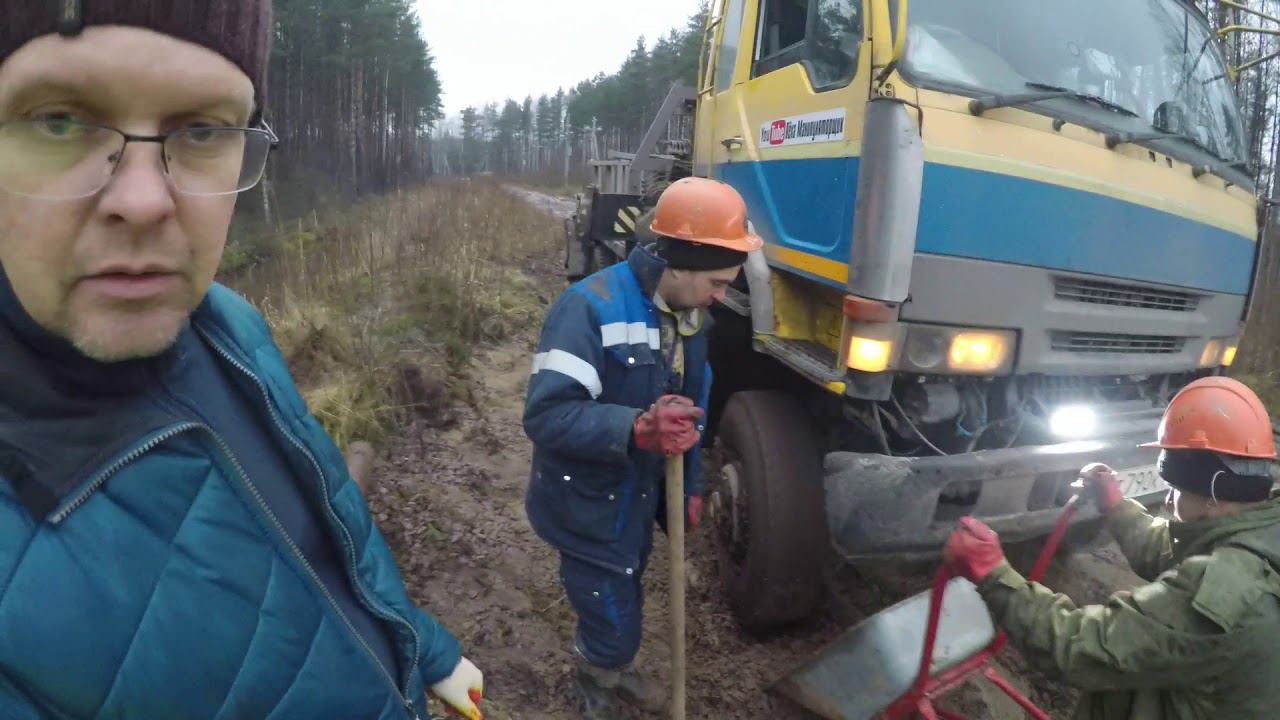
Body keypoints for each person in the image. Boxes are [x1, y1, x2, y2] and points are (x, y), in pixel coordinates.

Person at [0, 4, 481, 718]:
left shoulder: (230, 326)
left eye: (202, 130)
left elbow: (330, 521)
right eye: (59, 121)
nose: (142, 202)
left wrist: (425, 651)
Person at [523, 177, 761, 717]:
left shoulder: (692, 318)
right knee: (606, 608)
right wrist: (635, 429)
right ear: (680, 263)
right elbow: (546, 415)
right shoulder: (587, 308)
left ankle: (615, 665)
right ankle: (596, 679)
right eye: (718, 282)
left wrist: (692, 483)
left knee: (627, 587)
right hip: (585, 500)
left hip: (635, 496)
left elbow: (692, 405)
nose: (723, 294)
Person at [943, 376, 1280, 719]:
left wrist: (995, 575)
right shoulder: (1260, 533)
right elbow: (1169, 549)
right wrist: (1116, 506)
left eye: (1176, 488)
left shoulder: (1229, 595)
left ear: (1211, 491)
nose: (1168, 497)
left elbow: (1081, 648)